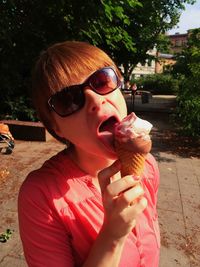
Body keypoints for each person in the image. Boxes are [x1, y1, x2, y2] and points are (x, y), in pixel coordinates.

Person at [18, 41, 160, 267]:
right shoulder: (41, 196)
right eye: (69, 100)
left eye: (102, 81)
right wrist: (113, 235)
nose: (95, 100)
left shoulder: (149, 166)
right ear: (56, 128)